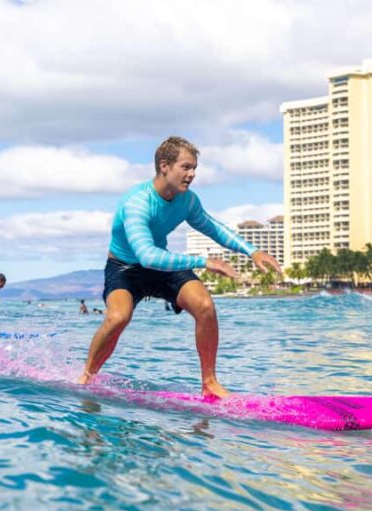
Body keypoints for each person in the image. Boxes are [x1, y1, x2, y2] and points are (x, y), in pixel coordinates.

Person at [78, 136, 282, 398]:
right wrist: (204, 262)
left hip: (161, 263)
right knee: (118, 317)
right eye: (186, 167)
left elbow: (212, 226)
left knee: (205, 306)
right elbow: (146, 256)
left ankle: (209, 383)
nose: (192, 174)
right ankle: (87, 376)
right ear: (165, 166)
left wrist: (252, 251)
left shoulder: (187, 201)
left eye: (194, 168)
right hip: (125, 268)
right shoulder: (137, 202)